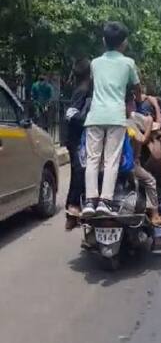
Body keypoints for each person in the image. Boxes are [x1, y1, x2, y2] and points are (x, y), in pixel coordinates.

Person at [82, 22, 141, 217]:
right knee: (111, 160)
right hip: (116, 116)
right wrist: (138, 101)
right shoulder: (128, 63)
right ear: (124, 43)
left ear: (103, 41)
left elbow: (94, 84)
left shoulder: (95, 63)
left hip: (95, 116)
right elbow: (136, 87)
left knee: (92, 160)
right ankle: (105, 202)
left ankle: (90, 201)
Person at [126, 112, 161, 228]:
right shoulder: (128, 122)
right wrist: (150, 122)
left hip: (107, 164)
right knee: (150, 181)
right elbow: (143, 139)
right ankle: (154, 215)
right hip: (128, 163)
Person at [63, 59, 92, 230]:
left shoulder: (85, 90)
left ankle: (75, 208)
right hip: (77, 139)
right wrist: (86, 116)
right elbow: (71, 114)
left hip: (78, 138)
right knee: (79, 171)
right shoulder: (83, 91)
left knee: (80, 171)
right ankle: (72, 209)